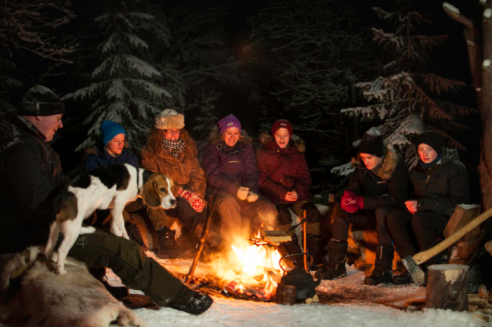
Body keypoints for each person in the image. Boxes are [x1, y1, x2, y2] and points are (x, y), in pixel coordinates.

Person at [0, 86, 213, 315]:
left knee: (105, 223)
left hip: (48, 226)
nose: (60, 125)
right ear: (38, 113)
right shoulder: (20, 147)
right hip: (39, 235)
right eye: (58, 118)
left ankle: (99, 281)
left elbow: (60, 186)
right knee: (119, 249)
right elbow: (39, 198)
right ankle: (177, 295)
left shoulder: (31, 142)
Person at [317, 127, 409, 285]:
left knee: (382, 211)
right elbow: (353, 188)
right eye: (363, 157)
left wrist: (361, 202)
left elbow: (395, 198)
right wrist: (349, 198)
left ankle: (383, 269)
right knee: (342, 209)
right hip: (368, 214)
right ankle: (337, 265)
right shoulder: (361, 168)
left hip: (391, 216)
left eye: (369, 158)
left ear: (379, 156)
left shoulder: (396, 168)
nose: (365, 161)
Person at [386, 130, 469, 284]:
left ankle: (432, 270)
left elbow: (458, 202)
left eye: (429, 149)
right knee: (394, 217)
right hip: (423, 213)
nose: (424, 153)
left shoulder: (454, 169)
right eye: (421, 149)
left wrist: (421, 205)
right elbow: (412, 196)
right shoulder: (417, 170)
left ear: (437, 149)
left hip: (448, 218)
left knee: (420, 220)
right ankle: (414, 269)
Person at [141, 109, 219, 257]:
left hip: (188, 194)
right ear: (160, 132)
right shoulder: (150, 153)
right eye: (169, 131)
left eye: (176, 131)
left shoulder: (186, 150)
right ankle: (207, 241)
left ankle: (210, 243)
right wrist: (182, 192)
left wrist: (196, 193)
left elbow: (197, 173)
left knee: (202, 207)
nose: (174, 135)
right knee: (184, 205)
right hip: (165, 199)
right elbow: (154, 179)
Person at [202, 114, 277, 249]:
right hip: (219, 194)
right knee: (229, 203)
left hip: (243, 193)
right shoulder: (212, 149)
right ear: (222, 133)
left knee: (267, 208)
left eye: (236, 133)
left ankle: (262, 249)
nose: (233, 137)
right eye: (229, 133)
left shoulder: (245, 148)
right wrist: (236, 189)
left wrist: (250, 190)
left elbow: (252, 172)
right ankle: (231, 250)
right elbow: (213, 176)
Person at [256, 120, 323, 268]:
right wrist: (281, 193)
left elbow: (305, 177)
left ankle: (313, 259)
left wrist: (296, 192)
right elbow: (261, 180)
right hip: (275, 196)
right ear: (273, 135)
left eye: (285, 135)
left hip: (296, 195)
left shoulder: (297, 153)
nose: (282, 139)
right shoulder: (264, 153)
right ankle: (297, 258)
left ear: (290, 136)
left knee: (312, 213)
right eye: (278, 135)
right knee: (282, 216)